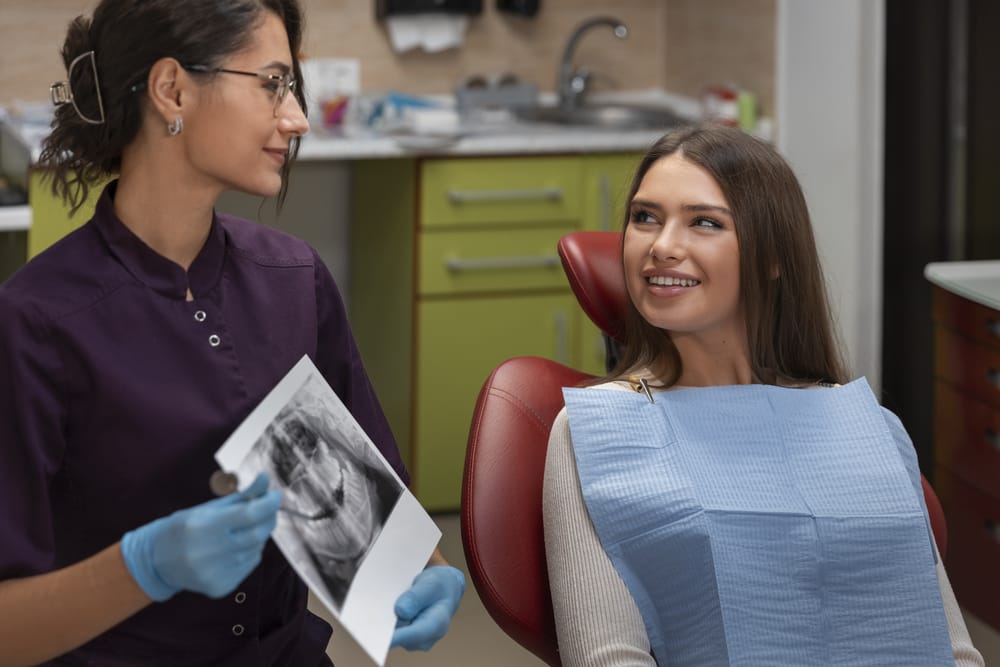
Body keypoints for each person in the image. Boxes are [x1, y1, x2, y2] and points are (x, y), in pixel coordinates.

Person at [0, 1, 463, 665]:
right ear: (173, 89)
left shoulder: (295, 279)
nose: (297, 117)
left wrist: (424, 570)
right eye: (273, 83)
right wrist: (144, 567)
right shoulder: (36, 325)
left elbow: (366, 508)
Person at [542, 125, 984, 666]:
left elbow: (953, 651)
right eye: (645, 218)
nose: (662, 246)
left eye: (703, 222)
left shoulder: (868, 427)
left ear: (773, 257)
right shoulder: (592, 433)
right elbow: (608, 659)